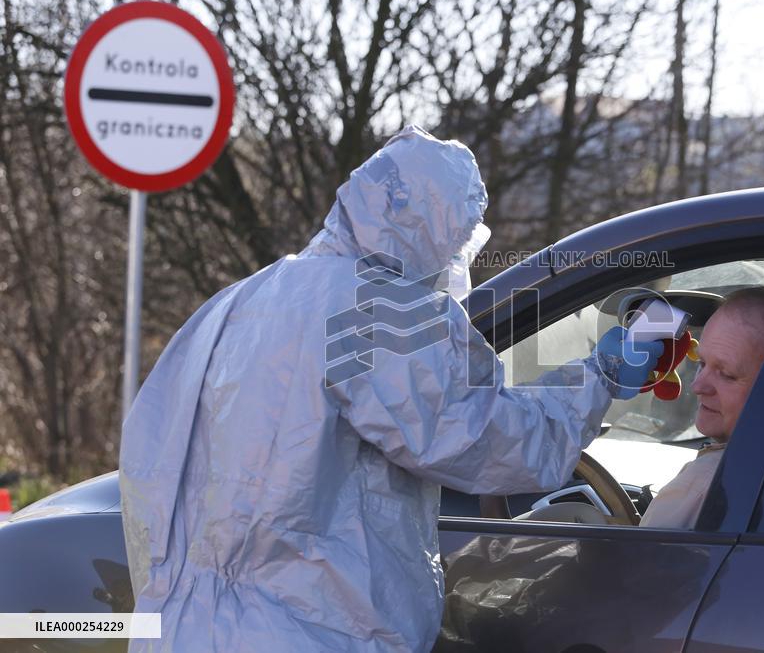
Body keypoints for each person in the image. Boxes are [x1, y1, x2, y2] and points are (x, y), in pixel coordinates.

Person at [118, 125, 660, 652]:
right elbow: (479, 436)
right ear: (431, 229)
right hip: (310, 632)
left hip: (181, 626)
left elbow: (149, 462)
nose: (453, 261)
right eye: (455, 240)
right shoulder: (374, 307)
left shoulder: (241, 301)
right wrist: (599, 377)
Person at [640, 287, 764, 529]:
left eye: (727, 374)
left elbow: (637, 564)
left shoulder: (706, 486)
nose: (697, 385)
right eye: (702, 362)